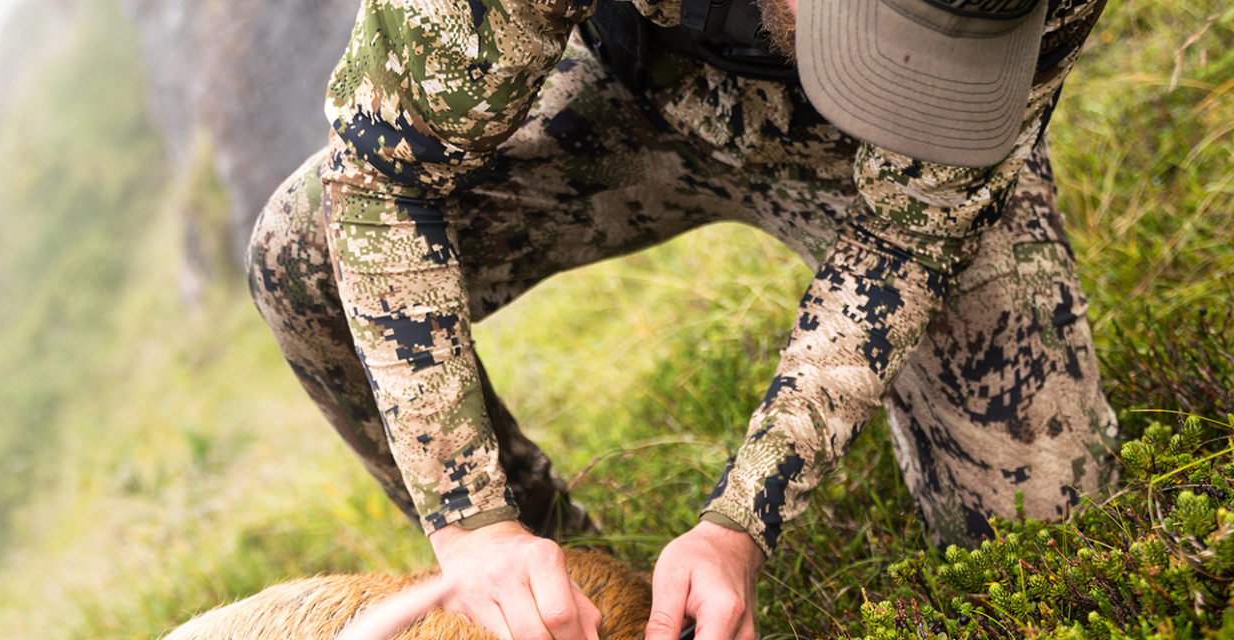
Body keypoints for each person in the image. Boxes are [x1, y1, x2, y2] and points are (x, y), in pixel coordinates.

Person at [246, 0, 1119, 639]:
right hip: (624, 98)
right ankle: (548, 592)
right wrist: (475, 525)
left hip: (882, 175)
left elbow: (908, 241)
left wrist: (740, 522)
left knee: (1047, 544)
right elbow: (378, 183)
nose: (895, 68)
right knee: (306, 257)